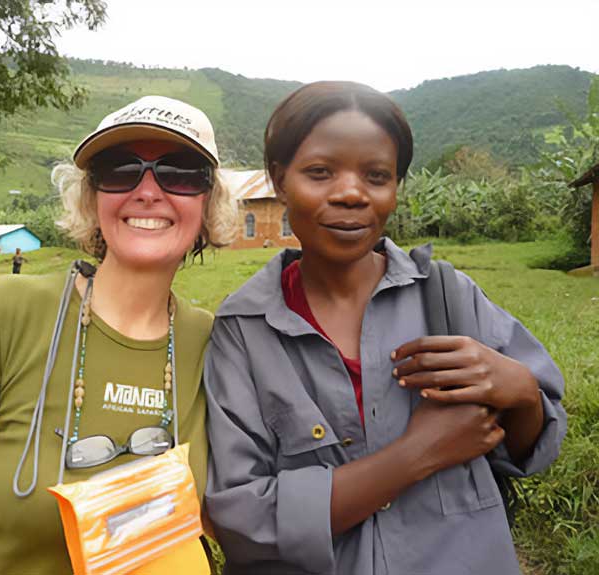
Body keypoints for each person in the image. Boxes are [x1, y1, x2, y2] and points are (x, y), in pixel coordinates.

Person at [203, 81, 567, 575]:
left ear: (395, 186)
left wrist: (521, 390)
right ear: (278, 178)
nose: (351, 193)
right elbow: (242, 517)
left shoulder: (449, 296)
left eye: (376, 175)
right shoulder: (242, 331)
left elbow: (528, 447)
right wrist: (415, 455)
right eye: (320, 172)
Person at [0, 95, 235, 575]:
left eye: (181, 172)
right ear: (90, 197)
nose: (148, 191)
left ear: (209, 202)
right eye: (120, 169)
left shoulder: (219, 343)